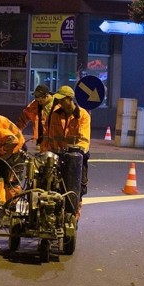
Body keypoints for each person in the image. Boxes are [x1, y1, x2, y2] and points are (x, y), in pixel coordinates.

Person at [40, 85, 91, 217]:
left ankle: (73, 220)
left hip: (76, 159)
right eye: (59, 100)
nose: (60, 102)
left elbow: (84, 140)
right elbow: (50, 137)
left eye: (63, 100)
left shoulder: (83, 115)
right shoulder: (56, 114)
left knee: (77, 191)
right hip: (57, 157)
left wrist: (77, 150)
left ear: (70, 99)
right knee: (49, 185)